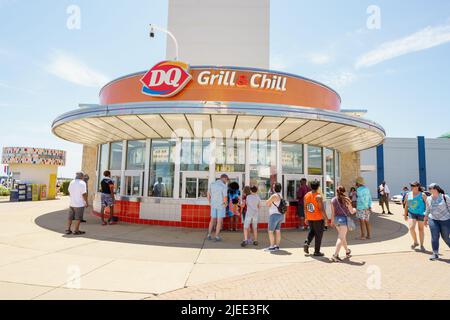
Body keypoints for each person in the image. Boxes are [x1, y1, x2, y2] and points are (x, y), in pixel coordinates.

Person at [303, 180, 329, 256]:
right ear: (318, 187)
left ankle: (307, 243)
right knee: (318, 235)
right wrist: (326, 219)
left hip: (310, 217)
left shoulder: (306, 195)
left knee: (312, 231)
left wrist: (306, 218)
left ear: (311, 187)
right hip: (318, 218)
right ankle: (316, 252)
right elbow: (321, 209)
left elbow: (305, 208)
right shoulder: (318, 196)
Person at [330, 186, 355, 262]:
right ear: (344, 191)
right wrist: (355, 209)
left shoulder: (333, 200)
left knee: (342, 237)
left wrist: (331, 221)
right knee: (341, 237)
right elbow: (351, 211)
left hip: (336, 220)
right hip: (343, 220)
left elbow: (333, 213)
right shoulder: (347, 200)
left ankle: (347, 251)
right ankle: (335, 255)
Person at [425, 183, 450, 260]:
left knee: (445, 237)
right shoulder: (428, 198)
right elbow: (428, 209)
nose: (429, 190)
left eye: (430, 188)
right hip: (433, 219)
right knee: (434, 236)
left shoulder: (445, 197)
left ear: (435, 189)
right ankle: (435, 253)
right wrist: (425, 218)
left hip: (445, 220)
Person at [404, 181, 428, 251]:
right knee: (411, 228)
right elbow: (406, 205)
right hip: (412, 213)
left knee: (421, 229)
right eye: (412, 186)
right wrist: (405, 215)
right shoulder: (408, 194)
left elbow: (427, 205)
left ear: (418, 186)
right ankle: (415, 242)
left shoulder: (423, 195)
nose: (413, 187)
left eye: (414, 186)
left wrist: (427, 215)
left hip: (421, 213)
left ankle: (422, 245)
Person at [207, 174, 229, 241]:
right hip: (221, 205)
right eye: (226, 179)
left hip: (213, 204)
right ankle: (216, 236)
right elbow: (225, 197)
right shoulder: (224, 186)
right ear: (224, 178)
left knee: (212, 220)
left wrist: (210, 202)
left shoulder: (212, 184)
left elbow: (208, 194)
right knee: (219, 221)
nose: (226, 181)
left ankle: (209, 235)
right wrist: (226, 204)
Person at [265, 182, 284, 252]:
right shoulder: (280, 195)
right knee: (278, 231)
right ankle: (277, 246)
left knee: (270, 231)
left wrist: (269, 196)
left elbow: (267, 203)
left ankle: (271, 246)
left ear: (274, 188)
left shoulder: (274, 196)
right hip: (280, 215)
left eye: (273, 187)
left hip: (274, 215)